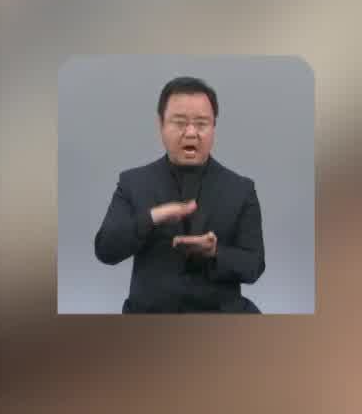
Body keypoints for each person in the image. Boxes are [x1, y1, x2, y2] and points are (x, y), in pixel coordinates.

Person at [92, 76, 264, 312]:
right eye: (180, 122)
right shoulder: (133, 183)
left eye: (202, 123)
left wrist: (215, 251)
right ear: (160, 125)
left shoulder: (241, 189)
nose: (191, 133)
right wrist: (152, 217)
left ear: (214, 127)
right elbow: (105, 250)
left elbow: (254, 267)